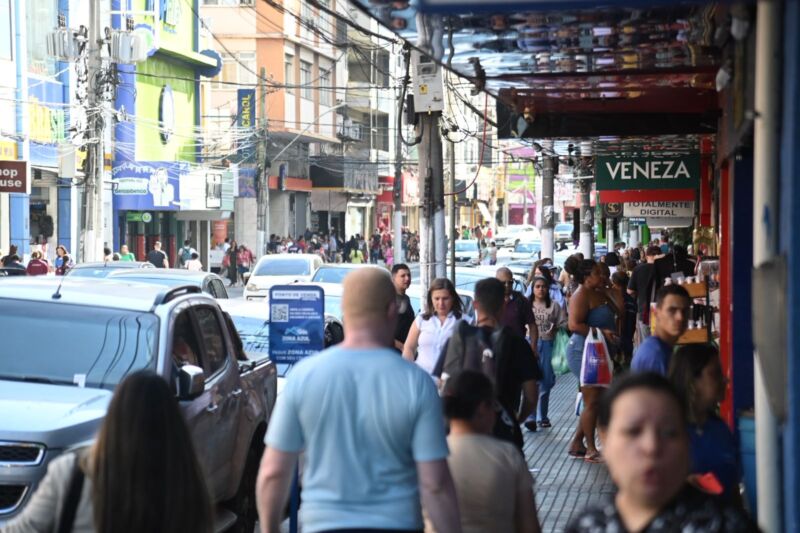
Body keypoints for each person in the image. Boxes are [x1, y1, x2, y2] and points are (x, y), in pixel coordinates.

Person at [256, 269, 462, 533]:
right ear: (391, 310)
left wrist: (270, 529)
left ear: (344, 311)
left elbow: (274, 473)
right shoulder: (417, 384)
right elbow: (436, 484)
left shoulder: (304, 378)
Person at [0, 371, 213, 533]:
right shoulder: (188, 485)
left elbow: (23, 529)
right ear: (173, 425)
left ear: (113, 418)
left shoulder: (73, 474)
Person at [565, 373, 757, 533]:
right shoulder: (588, 526)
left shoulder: (724, 526)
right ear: (605, 439)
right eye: (633, 432)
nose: (651, 446)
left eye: (669, 432)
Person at [435, 277, 541, 449]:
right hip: (501, 433)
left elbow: (442, 381)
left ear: (475, 304)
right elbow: (531, 395)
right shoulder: (517, 342)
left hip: (460, 435)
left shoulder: (460, 337)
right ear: (503, 305)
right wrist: (517, 418)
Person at [436, 370, 541, 533]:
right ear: (482, 408)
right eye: (494, 406)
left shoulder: (429, 456)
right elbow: (529, 525)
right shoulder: (508, 455)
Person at [668, 344, 741, 503]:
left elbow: (734, 490)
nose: (725, 379)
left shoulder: (720, 428)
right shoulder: (667, 433)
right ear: (692, 381)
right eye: (715, 374)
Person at [565, 259, 621, 463]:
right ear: (586, 277)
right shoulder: (580, 295)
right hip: (583, 351)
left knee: (597, 399)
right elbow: (573, 324)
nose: (602, 275)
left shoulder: (599, 292)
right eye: (597, 273)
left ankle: (577, 443)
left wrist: (610, 292)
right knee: (592, 400)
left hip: (600, 351)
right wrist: (600, 332)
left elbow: (620, 312)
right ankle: (590, 448)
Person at [527, 275, 567, 430]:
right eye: (537, 286)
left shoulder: (554, 306)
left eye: (543, 286)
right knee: (532, 381)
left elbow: (563, 322)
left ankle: (542, 415)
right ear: (533, 288)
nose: (541, 289)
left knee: (547, 381)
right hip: (530, 345)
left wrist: (556, 327)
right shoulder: (527, 305)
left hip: (548, 344)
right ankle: (531, 417)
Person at [403, 278, 463, 375]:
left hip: (450, 382)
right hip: (421, 377)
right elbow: (409, 347)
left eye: (445, 298)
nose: (441, 304)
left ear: (453, 298)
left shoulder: (464, 321)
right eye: (437, 298)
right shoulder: (422, 319)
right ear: (431, 298)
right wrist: (409, 371)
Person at [631, 284, 691, 376]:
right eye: (672, 310)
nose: (680, 317)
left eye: (685, 311)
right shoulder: (657, 355)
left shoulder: (658, 348)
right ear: (656, 313)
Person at [392, 263, 415, 351]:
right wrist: (403, 347)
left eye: (409, 275)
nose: (407, 278)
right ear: (394, 278)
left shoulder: (406, 299)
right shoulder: (388, 299)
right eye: (403, 276)